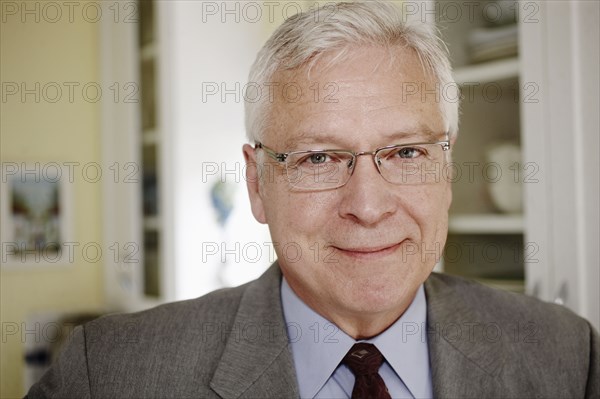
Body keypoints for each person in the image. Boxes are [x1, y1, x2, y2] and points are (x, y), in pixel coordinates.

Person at [27, 1, 598, 398]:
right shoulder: (111, 374)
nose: (368, 206)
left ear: (446, 167)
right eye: (318, 159)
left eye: (404, 153)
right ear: (256, 183)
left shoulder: (566, 355)